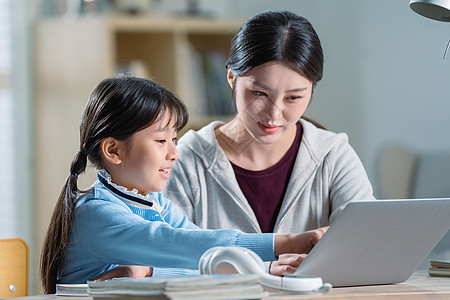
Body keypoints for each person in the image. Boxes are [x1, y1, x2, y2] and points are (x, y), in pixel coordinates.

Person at [40, 76, 327, 294]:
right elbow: (185, 247)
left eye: (174, 140)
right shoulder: (96, 214)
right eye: (161, 140)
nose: (174, 152)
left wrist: (149, 270)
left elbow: (206, 258)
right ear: (114, 151)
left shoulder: (156, 205)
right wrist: (286, 242)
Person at [162, 10, 375, 274]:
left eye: (293, 98)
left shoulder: (334, 155)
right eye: (259, 93)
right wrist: (263, 269)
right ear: (231, 77)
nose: (274, 114)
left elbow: (367, 247)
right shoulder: (185, 160)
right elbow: (166, 260)